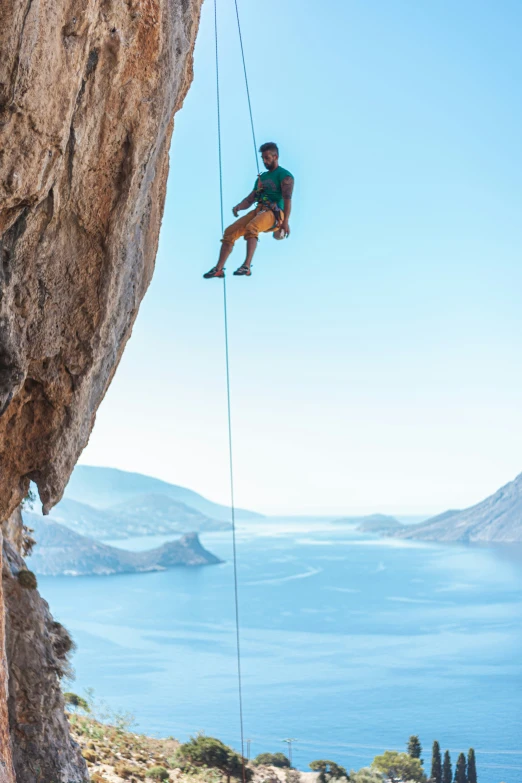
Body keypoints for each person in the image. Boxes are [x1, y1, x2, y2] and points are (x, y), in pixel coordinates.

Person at [203, 142, 294, 278]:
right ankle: (218, 269)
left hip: (275, 213)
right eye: (263, 158)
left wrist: (285, 221)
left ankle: (246, 266)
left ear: (275, 157)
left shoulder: (285, 176)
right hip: (259, 210)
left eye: (267, 158)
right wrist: (239, 207)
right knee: (229, 232)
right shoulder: (262, 178)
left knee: (252, 227)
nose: (264, 161)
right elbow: (251, 198)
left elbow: (287, 199)